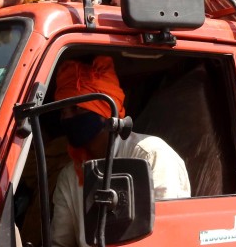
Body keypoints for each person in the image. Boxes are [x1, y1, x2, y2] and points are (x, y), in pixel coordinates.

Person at [50, 57, 190, 247]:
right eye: (62, 111)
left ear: (103, 111)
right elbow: (60, 242)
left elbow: (167, 235)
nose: (66, 118)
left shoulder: (150, 156)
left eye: (75, 109)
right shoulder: (70, 175)